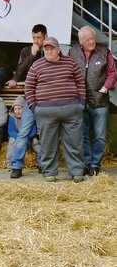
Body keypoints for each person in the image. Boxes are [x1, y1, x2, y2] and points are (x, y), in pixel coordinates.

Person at [26, 37, 86, 182]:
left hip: (72, 110)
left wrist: (81, 103)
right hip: (45, 112)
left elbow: (80, 82)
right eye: (46, 49)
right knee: (47, 144)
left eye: (51, 48)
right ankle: (50, 172)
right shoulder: (36, 65)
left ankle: (77, 172)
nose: (49, 51)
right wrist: (34, 107)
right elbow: (28, 87)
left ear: (58, 49)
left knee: (74, 142)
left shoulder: (71, 63)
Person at [68, 26, 116, 176]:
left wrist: (106, 87)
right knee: (83, 134)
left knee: (100, 135)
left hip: (100, 101)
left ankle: (95, 164)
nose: (91, 41)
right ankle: (86, 163)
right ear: (81, 41)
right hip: (80, 101)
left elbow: (113, 72)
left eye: (93, 38)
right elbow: (68, 71)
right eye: (88, 39)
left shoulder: (104, 52)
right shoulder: (73, 52)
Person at [8, 25, 47, 179]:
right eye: (34, 38)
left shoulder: (51, 49)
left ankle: (42, 164)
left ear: (45, 36)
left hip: (46, 100)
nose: (36, 41)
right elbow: (20, 72)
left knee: (45, 134)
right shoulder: (26, 51)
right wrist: (32, 55)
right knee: (23, 132)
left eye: (39, 37)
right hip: (31, 100)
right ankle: (16, 166)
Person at [6, 96, 40, 170]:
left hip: (29, 137)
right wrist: (20, 138)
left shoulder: (30, 116)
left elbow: (33, 131)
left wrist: (26, 138)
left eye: (19, 109)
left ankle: (42, 162)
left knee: (35, 142)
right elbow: (11, 131)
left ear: (24, 109)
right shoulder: (12, 117)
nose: (17, 111)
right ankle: (10, 162)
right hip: (16, 137)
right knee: (12, 141)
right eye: (15, 109)